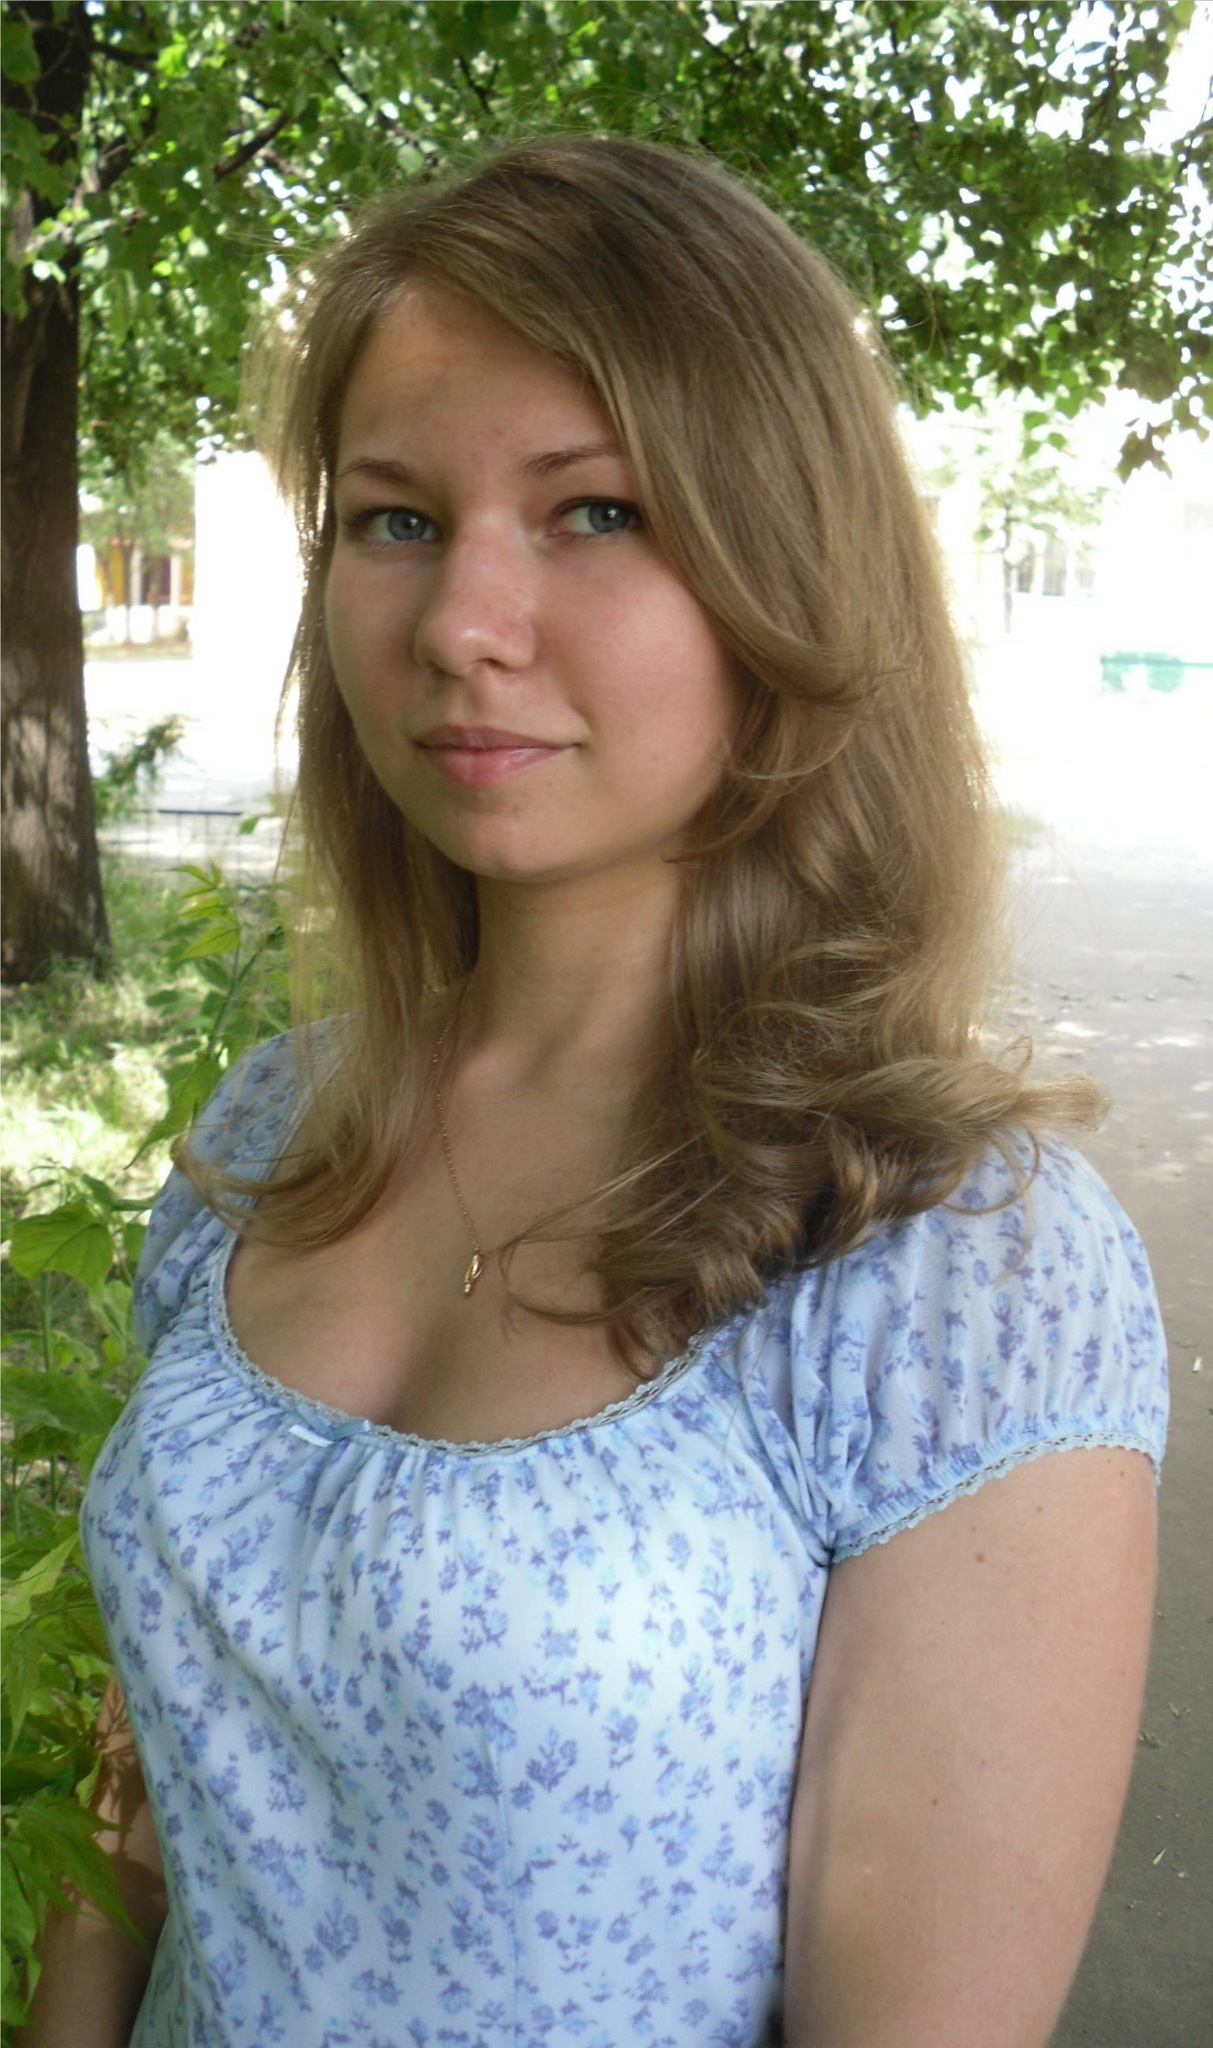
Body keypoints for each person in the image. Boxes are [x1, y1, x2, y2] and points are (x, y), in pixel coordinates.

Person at [21, 135, 1167, 2048]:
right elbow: (142, 1813)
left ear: (784, 571)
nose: (461, 621)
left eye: (596, 511)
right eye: (395, 519)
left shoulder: (951, 1269)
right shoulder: (264, 1138)